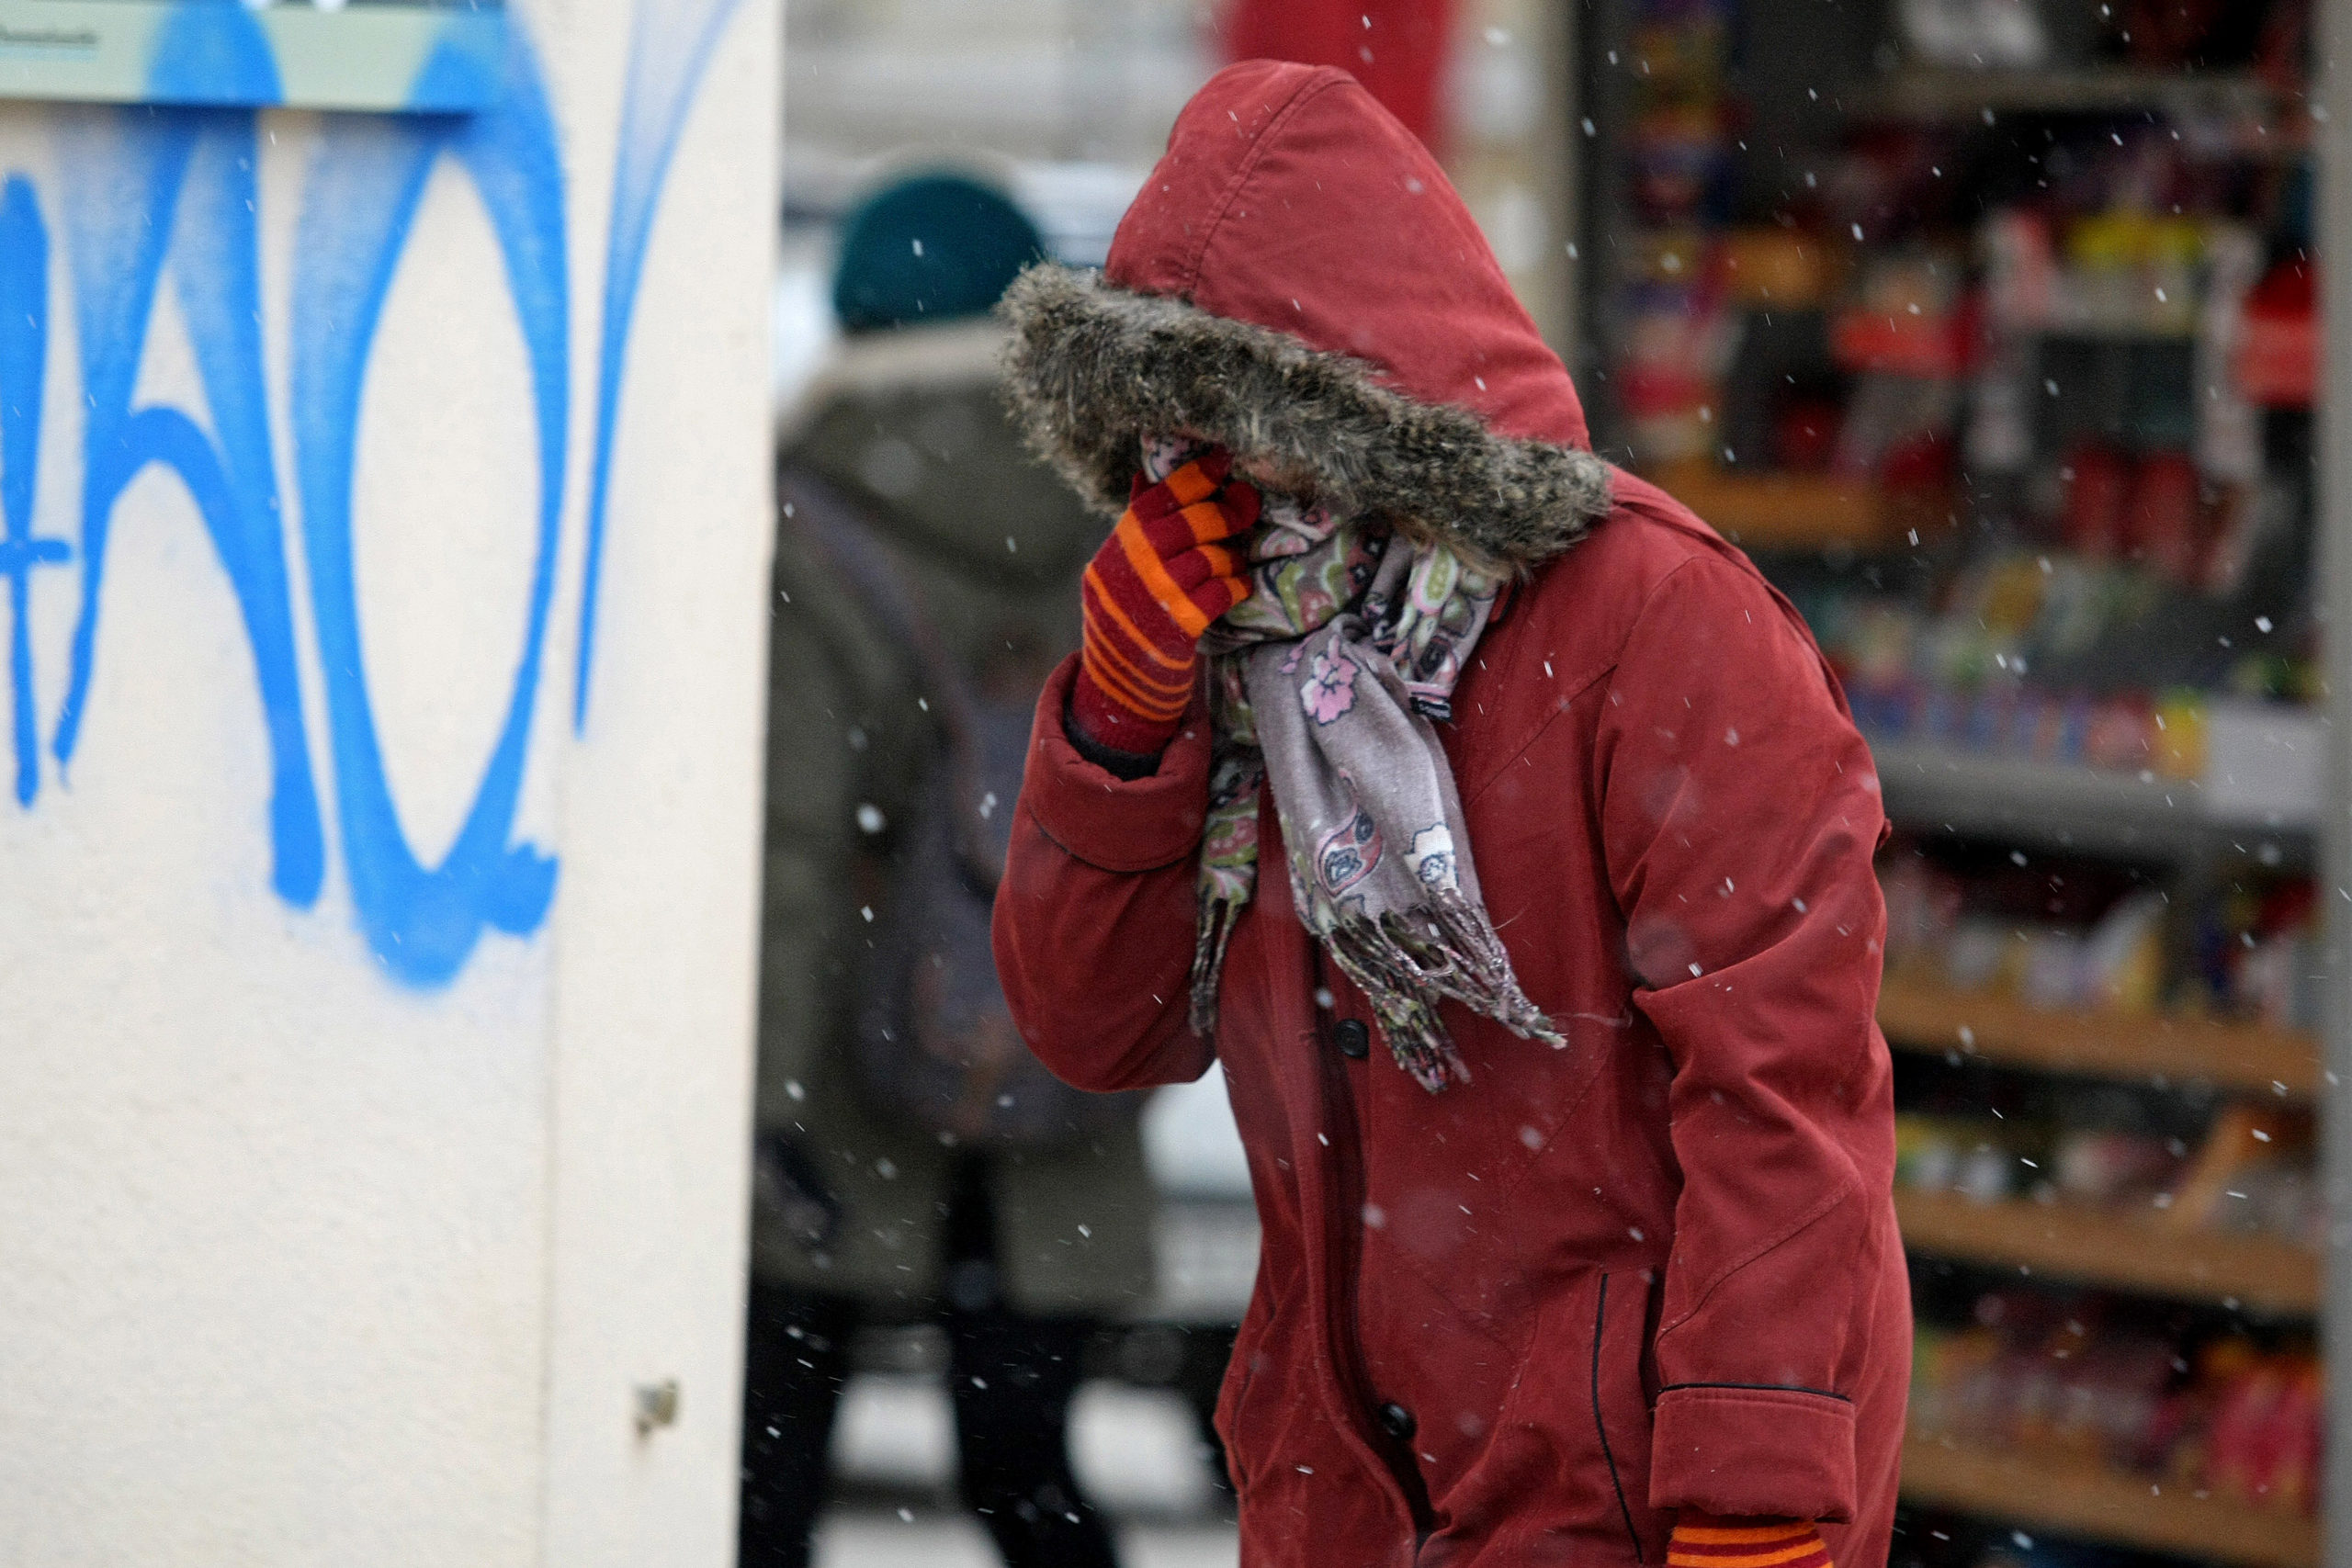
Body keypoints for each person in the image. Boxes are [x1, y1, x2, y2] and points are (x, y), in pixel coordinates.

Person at [991, 61, 1907, 1568]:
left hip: (1620, 1504)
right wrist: (1116, 719)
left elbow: (1782, 1095)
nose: (1190, 472)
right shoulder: (1244, 648)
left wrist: (1758, 1495)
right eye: (1150, 421)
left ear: (1357, 412)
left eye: (1226, 412)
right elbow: (1102, 1030)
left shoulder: (1661, 626)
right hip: (1345, 1506)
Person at [742, 172, 1151, 1568]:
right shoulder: (1119, 515)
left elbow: (791, 844)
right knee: (1033, 1480)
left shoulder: (813, 518)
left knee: (768, 1481)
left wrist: (763, 1108)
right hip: (1057, 1070)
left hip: (845, 1073)